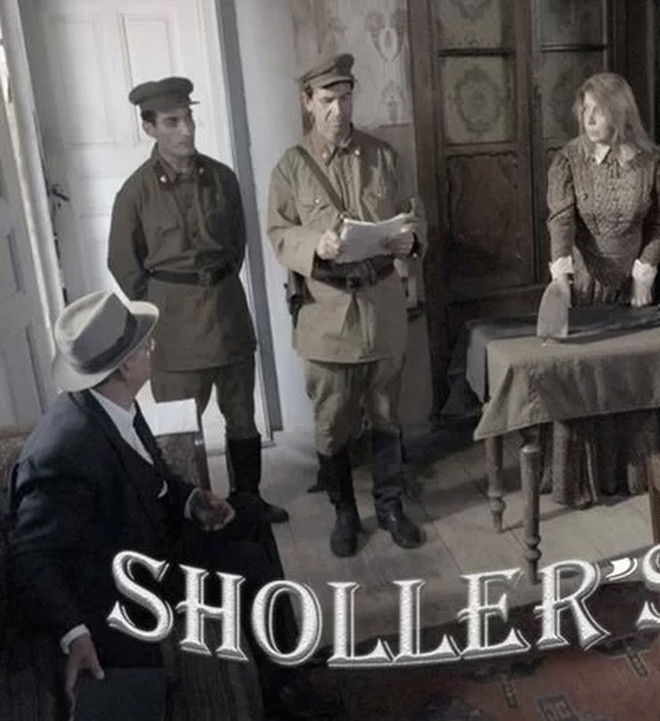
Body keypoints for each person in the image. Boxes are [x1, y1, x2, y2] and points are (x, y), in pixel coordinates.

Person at [7, 291, 335, 719]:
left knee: (251, 513)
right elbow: (31, 553)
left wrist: (192, 500)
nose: (152, 347)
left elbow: (153, 475)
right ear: (124, 366)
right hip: (125, 583)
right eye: (143, 345)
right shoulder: (63, 451)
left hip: (154, 539)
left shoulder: (115, 404)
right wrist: (75, 633)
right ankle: (280, 694)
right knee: (247, 565)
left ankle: (286, 660)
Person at [107, 77, 286, 523]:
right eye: (172, 122)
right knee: (180, 431)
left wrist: (213, 284)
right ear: (150, 128)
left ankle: (248, 501)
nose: (186, 129)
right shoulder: (135, 193)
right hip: (175, 330)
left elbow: (237, 244)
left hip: (228, 315)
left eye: (188, 118)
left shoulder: (222, 179)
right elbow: (123, 264)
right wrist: (163, 305)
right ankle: (189, 512)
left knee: (242, 416)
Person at [266, 53, 423, 557]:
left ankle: (391, 507)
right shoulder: (292, 166)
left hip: (381, 306)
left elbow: (412, 214)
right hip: (326, 312)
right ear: (308, 102)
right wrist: (316, 245)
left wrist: (410, 240)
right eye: (328, 99)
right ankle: (345, 514)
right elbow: (278, 231)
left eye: (346, 97)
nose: (339, 109)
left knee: (386, 415)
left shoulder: (383, 156)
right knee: (332, 422)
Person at [543, 71, 660, 502]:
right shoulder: (568, 160)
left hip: (633, 288)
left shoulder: (651, 160)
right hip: (583, 286)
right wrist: (561, 277)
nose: (588, 120)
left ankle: (632, 477)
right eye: (585, 111)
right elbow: (561, 221)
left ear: (620, 112)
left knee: (631, 378)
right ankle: (581, 482)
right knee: (585, 380)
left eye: (598, 111)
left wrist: (645, 269)